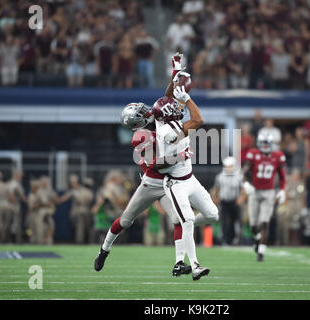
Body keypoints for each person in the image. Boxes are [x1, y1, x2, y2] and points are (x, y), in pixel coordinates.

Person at [95, 54, 194, 278]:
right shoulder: (140, 137)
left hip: (171, 182)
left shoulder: (156, 117)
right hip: (152, 183)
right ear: (137, 123)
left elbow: (167, 97)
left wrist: (174, 74)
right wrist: (180, 156)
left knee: (179, 219)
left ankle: (179, 262)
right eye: (141, 113)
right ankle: (104, 250)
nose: (146, 111)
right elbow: (157, 165)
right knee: (126, 220)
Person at [154, 87, 219, 280]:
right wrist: (188, 100)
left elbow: (167, 97)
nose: (177, 107)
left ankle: (184, 226)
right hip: (176, 184)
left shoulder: (162, 120)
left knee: (213, 215)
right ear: (167, 115)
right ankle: (195, 265)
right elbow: (199, 120)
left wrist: (176, 73)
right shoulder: (169, 131)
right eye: (173, 108)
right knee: (189, 220)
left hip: (190, 179)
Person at [241, 132, 287, 261]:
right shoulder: (253, 154)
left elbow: (282, 175)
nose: (266, 146)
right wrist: (245, 184)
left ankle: (261, 252)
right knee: (253, 224)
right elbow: (244, 171)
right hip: (255, 191)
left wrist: (282, 190)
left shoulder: (278, 156)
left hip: (269, 192)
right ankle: (257, 238)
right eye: (264, 143)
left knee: (265, 222)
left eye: (268, 143)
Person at [211, 156, 244, 245]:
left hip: (235, 202)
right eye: (227, 166)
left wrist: (241, 198)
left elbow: (243, 189)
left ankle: (236, 240)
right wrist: (215, 199)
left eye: (230, 166)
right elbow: (216, 189)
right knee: (225, 221)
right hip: (224, 202)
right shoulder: (220, 177)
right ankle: (225, 239)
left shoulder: (239, 176)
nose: (228, 168)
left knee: (236, 221)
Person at [58, 174, 94, 244]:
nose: (72, 184)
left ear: (77, 182)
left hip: (85, 211)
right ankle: (79, 241)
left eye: (74, 182)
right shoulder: (72, 191)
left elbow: (90, 199)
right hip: (76, 211)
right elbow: (63, 199)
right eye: (71, 182)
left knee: (85, 226)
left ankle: (83, 241)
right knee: (79, 225)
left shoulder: (85, 190)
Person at [285, 169, 307, 246]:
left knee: (298, 222)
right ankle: (289, 240)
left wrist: (304, 207)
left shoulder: (300, 184)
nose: (296, 177)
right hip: (290, 203)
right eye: (294, 175)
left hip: (298, 203)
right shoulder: (288, 183)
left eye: (297, 175)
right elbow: (285, 193)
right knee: (289, 222)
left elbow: (303, 195)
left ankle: (297, 240)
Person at [36, 176, 58, 245]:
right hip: (41, 211)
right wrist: (51, 205)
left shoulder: (49, 190)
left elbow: (56, 199)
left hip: (48, 212)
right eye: (45, 182)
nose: (46, 183)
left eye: (47, 182)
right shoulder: (40, 190)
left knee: (51, 225)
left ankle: (48, 241)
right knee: (41, 228)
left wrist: (54, 199)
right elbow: (44, 202)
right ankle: (40, 243)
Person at [8, 170, 27, 243]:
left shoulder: (17, 183)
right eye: (20, 176)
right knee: (14, 223)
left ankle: (15, 240)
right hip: (14, 206)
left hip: (15, 205)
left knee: (16, 223)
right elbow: (11, 194)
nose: (21, 177)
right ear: (16, 175)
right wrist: (14, 202)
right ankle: (12, 240)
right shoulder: (13, 183)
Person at [27, 179, 41, 244]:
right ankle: (31, 242)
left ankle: (37, 242)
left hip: (37, 214)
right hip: (32, 214)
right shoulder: (31, 195)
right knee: (31, 230)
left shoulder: (38, 195)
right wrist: (39, 205)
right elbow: (31, 207)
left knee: (37, 229)